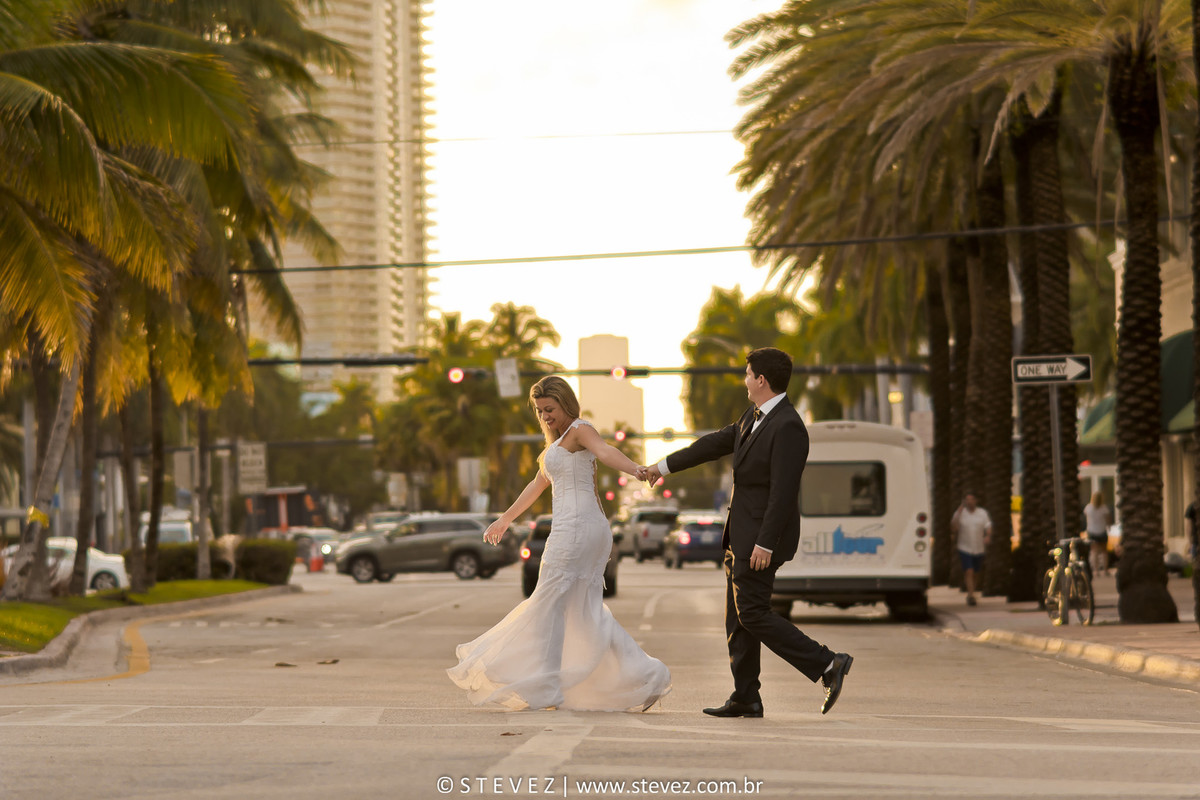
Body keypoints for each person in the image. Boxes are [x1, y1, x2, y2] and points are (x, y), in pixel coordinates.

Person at [643, 347, 853, 717]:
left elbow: (783, 492)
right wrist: (663, 465)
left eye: (747, 374)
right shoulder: (752, 418)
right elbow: (712, 444)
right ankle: (746, 697)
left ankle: (827, 664)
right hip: (739, 536)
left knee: (753, 614)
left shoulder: (788, 426)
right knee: (736, 619)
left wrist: (765, 543)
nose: (744, 380)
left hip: (759, 541)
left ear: (761, 380)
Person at [447, 376, 671, 712]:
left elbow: (605, 450)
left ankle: (548, 687)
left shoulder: (580, 430)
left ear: (566, 403)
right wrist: (505, 519)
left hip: (578, 529)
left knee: (549, 606)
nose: (546, 416)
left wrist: (636, 469)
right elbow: (536, 485)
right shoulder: (555, 445)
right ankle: (645, 676)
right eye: (540, 411)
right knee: (584, 613)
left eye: (550, 409)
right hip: (578, 527)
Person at [950, 492, 991, 607]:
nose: (969, 502)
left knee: (976, 573)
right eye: (967, 500)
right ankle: (971, 595)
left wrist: (988, 536)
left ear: (976, 501)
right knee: (969, 571)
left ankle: (972, 591)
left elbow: (988, 525)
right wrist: (958, 511)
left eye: (972, 499)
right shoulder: (960, 513)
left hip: (979, 548)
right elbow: (954, 527)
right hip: (964, 547)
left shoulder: (982, 513)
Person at [1083, 491, 1112, 576]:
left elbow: (1085, 516)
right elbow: (1108, 519)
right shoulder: (1104, 508)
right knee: (1104, 552)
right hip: (1102, 531)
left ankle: (1096, 570)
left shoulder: (1088, 508)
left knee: (1094, 551)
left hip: (1091, 531)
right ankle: (1106, 570)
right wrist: (1109, 526)